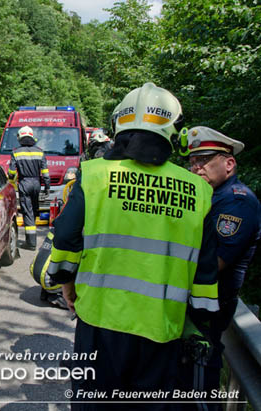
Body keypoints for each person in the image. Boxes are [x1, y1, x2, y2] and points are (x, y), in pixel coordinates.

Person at [46, 83, 220, 409]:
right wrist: (197, 321)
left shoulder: (95, 174)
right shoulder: (198, 191)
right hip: (162, 329)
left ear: (119, 126)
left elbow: (66, 238)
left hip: (99, 323)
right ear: (173, 130)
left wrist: (66, 284)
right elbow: (206, 272)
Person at [184, 126, 260, 401]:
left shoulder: (236, 202)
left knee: (198, 392)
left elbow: (212, 263)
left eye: (205, 161)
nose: (197, 168)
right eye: (193, 162)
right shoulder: (211, 197)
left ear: (229, 163)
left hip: (209, 312)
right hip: (196, 308)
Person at [8, 126, 50, 250]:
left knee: (28, 212)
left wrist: (11, 184)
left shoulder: (16, 152)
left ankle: (31, 243)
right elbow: (45, 173)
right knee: (34, 210)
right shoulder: (40, 151)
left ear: (20, 138)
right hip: (36, 183)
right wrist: (47, 186)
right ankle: (32, 238)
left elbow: (11, 172)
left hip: (24, 183)